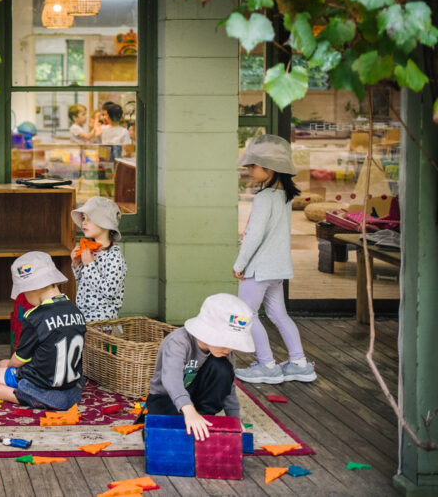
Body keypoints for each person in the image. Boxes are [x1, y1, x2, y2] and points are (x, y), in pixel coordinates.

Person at [233, 135, 317, 384]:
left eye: (252, 166)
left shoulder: (264, 198)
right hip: (278, 269)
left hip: (258, 269)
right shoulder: (285, 197)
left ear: (268, 168)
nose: (248, 170)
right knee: (279, 315)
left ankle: (267, 364)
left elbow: (254, 236)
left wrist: (239, 264)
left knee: (246, 315)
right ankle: (299, 364)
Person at [0, 251, 86, 410]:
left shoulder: (35, 316)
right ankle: (51, 397)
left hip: (39, 382)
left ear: (33, 288)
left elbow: (19, 360)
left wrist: (9, 364)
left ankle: (30, 397)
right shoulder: (75, 311)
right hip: (71, 390)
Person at [146, 293, 255, 441]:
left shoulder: (224, 352)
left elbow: (228, 387)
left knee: (223, 369)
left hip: (198, 399)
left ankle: (203, 417)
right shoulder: (179, 342)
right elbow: (171, 380)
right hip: (167, 398)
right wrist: (189, 411)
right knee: (165, 437)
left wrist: (234, 420)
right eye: (224, 341)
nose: (229, 349)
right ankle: (192, 417)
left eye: (233, 343)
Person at [70, 196, 128, 322]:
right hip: (83, 315)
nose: (83, 222)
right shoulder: (91, 251)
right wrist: (77, 265)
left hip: (103, 320)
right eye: (83, 218)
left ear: (105, 224)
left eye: (89, 219)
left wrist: (90, 265)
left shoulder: (114, 256)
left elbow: (109, 291)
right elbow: (83, 281)